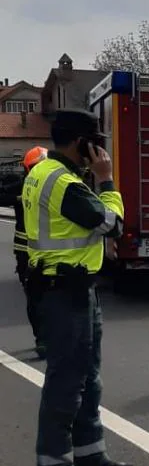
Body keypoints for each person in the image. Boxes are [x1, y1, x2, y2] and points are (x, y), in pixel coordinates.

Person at [22, 111, 130, 466]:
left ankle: (89, 454)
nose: (98, 149)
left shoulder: (46, 173)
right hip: (64, 291)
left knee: (87, 376)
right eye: (94, 141)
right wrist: (106, 180)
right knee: (67, 381)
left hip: (74, 286)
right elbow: (112, 223)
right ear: (80, 141)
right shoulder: (62, 182)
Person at [13, 145, 48, 359]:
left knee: (35, 298)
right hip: (47, 252)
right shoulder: (55, 184)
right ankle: (47, 339)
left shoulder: (21, 187)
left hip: (28, 254)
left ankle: (43, 340)